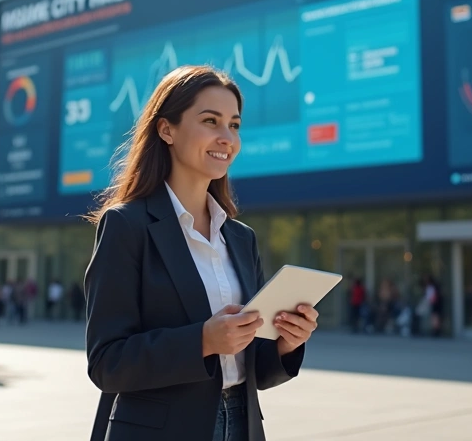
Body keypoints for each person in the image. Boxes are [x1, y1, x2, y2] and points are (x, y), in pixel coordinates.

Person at [84, 65, 317, 441]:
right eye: (211, 121)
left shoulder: (240, 238)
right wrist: (204, 341)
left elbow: (254, 368)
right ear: (166, 129)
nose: (227, 137)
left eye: (235, 125)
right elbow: (107, 363)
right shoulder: (127, 226)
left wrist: (286, 343)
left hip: (241, 425)